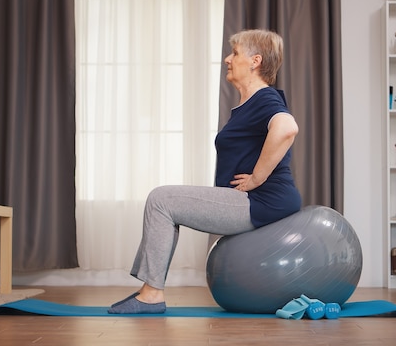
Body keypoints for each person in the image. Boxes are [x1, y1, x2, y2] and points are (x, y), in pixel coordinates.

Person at [108, 29, 301, 314]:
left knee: (162, 199)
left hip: (263, 201)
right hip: (255, 201)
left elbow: (287, 128)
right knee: (164, 202)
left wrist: (257, 178)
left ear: (255, 61)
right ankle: (149, 291)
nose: (227, 59)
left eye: (235, 53)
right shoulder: (250, 104)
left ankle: (151, 295)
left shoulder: (264, 98)